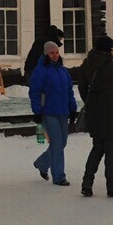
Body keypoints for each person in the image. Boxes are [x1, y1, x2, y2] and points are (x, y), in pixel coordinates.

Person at [78, 35, 113, 197]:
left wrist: (92, 102)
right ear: (110, 50)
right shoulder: (110, 66)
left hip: (94, 113)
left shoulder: (87, 64)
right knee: (110, 150)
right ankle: (112, 185)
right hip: (111, 112)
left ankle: (87, 183)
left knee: (97, 148)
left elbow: (82, 88)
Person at [28, 41, 77, 187]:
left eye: (56, 52)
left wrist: (73, 109)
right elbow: (35, 92)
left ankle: (42, 163)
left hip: (62, 112)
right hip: (48, 112)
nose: (55, 55)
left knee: (62, 143)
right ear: (46, 54)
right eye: (52, 53)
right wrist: (37, 111)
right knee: (56, 143)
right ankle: (59, 176)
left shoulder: (63, 71)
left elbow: (69, 91)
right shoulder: (41, 71)